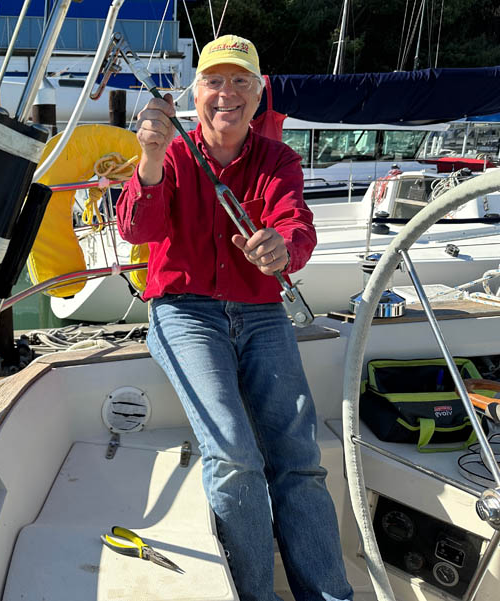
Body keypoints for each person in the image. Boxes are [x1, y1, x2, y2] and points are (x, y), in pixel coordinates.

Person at [117, 35, 353, 601]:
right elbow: (136, 232)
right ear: (196, 92)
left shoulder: (279, 158)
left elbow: (297, 224)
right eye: (215, 81)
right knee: (232, 454)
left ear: (259, 92)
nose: (228, 93)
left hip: (262, 311)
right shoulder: (171, 153)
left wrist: (284, 248)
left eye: (241, 81)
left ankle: (329, 595)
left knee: (300, 457)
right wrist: (149, 161)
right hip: (183, 311)